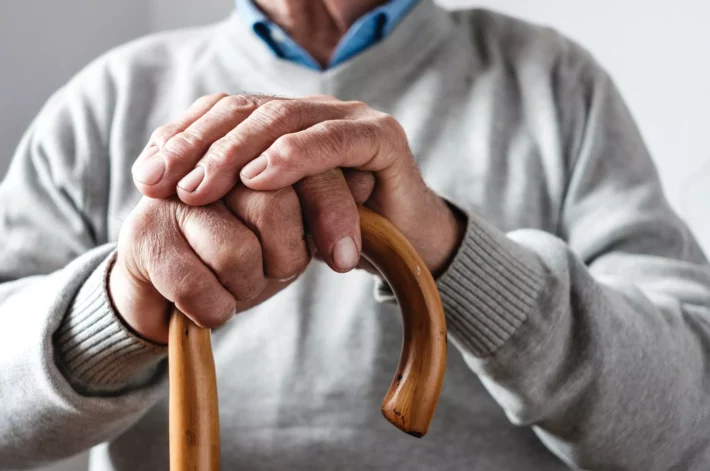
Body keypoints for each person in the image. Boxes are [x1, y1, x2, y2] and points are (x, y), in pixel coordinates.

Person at [1, 0, 709, 469]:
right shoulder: (107, 100)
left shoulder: (558, 85)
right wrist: (119, 308)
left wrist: (451, 252)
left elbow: (686, 419)